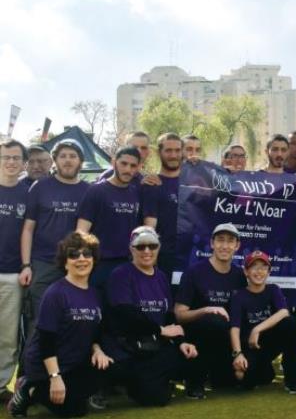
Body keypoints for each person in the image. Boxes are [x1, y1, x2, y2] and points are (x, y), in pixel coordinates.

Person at [9, 232, 113, 418]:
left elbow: (94, 332)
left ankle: (61, 392)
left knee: (109, 368)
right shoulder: (55, 293)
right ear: (65, 262)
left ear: (94, 260)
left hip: (73, 363)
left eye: (87, 254)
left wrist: (97, 350)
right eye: (73, 255)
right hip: (46, 367)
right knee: (73, 411)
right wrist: (55, 377)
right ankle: (29, 389)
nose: (81, 259)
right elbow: (46, 341)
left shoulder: (96, 294)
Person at [102, 227, 198, 407]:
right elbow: (125, 315)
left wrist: (181, 341)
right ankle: (128, 383)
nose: (147, 251)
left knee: (193, 355)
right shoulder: (121, 275)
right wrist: (161, 330)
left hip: (155, 346)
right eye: (141, 246)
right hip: (129, 348)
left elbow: (168, 315)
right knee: (155, 398)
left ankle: (153, 381)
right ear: (131, 249)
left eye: (152, 246)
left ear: (158, 248)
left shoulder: (161, 276)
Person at [19, 140, 89, 331]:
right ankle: (33, 361)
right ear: (55, 161)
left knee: (71, 320)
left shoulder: (89, 191)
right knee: (39, 321)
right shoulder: (40, 187)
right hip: (42, 264)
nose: (68, 161)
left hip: (76, 265)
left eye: (73, 156)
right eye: (63, 156)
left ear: (81, 161)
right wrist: (26, 265)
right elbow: (28, 229)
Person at [174, 223, 247, 399]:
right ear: (212, 243)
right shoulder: (194, 272)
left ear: (237, 246)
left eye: (230, 241)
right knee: (213, 320)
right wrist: (206, 310)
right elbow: (179, 314)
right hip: (197, 337)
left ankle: (218, 373)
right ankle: (195, 381)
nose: (225, 246)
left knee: (254, 377)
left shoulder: (239, 276)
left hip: (224, 339)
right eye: (220, 240)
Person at [229, 251, 296, 393]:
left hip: (269, 343)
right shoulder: (238, 296)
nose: (259, 271)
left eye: (264, 267)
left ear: (269, 272)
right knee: (244, 378)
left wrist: (257, 329)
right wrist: (238, 354)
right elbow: (234, 328)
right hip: (250, 347)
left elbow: (284, 312)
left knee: (291, 323)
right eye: (254, 267)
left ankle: (293, 381)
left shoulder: (273, 290)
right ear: (246, 271)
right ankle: (263, 370)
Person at [76, 146, 145, 288]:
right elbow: (82, 230)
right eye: (123, 164)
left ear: (138, 167)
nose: (128, 169)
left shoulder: (136, 193)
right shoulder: (96, 191)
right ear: (114, 162)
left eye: (133, 166)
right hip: (99, 265)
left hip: (128, 264)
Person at [0, 139, 28, 398]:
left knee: (8, 337)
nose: (10, 162)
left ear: (23, 163)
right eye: (5, 157)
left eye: (15, 158)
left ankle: (0, 385)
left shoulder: (28, 193)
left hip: (12, 274)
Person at [141, 133, 184, 280]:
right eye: (168, 150)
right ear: (159, 152)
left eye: (177, 150)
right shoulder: (152, 184)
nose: (174, 155)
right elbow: (149, 227)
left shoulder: (194, 184)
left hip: (192, 256)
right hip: (164, 260)